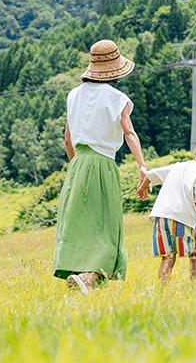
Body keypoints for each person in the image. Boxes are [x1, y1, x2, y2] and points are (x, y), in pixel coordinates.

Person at [53, 39, 147, 293]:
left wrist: (76, 168)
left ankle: (79, 275)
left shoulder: (73, 95)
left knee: (79, 222)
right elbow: (129, 133)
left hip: (78, 163)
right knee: (106, 224)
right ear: (115, 70)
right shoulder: (118, 98)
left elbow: (68, 139)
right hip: (102, 163)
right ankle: (89, 277)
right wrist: (142, 166)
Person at [136, 137, 196, 280]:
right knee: (194, 253)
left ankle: (162, 289)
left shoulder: (179, 166)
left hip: (161, 217)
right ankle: (195, 285)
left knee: (167, 257)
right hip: (182, 219)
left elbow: (151, 174)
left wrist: (143, 188)